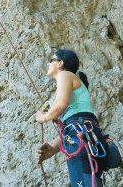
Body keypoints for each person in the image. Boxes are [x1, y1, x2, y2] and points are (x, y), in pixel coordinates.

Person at [35, 50, 109, 187]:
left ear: (60, 63)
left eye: (51, 60)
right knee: (86, 183)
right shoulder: (69, 83)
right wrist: (53, 149)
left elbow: (61, 103)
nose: (47, 63)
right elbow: (71, 123)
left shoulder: (64, 75)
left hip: (80, 137)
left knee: (83, 183)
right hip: (82, 136)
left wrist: (44, 117)